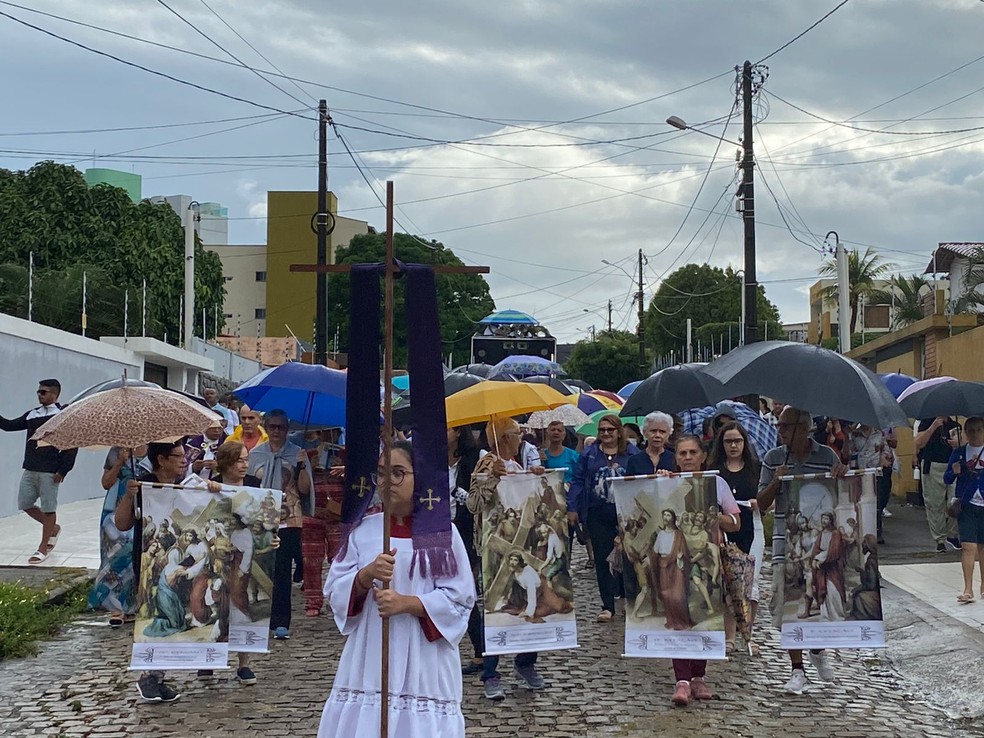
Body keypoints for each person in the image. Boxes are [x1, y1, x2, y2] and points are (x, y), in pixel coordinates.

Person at [318, 442, 475, 738]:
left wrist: (408, 603)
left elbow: (460, 599)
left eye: (398, 473)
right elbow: (335, 590)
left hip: (424, 659)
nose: (387, 481)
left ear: (421, 479)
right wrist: (365, 576)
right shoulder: (362, 531)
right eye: (381, 473)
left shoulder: (442, 533)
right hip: (370, 653)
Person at [758, 407, 845, 695]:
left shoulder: (826, 456)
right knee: (788, 608)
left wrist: (842, 476)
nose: (779, 430)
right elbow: (760, 503)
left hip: (818, 544)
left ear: (803, 428)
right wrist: (776, 480)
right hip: (786, 544)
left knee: (816, 602)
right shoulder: (773, 458)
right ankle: (797, 670)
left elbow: (840, 496)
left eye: (785, 425)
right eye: (779, 425)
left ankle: (818, 650)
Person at [656, 434, 741, 706]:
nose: (688, 457)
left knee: (704, 614)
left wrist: (714, 514)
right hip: (678, 561)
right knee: (679, 612)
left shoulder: (717, 483)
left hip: (707, 560)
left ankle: (698, 676)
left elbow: (735, 523)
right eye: (682, 453)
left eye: (693, 452)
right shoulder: (669, 484)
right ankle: (681, 679)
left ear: (703, 455)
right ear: (676, 457)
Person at [468, 417, 546, 701]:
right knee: (499, 610)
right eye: (515, 433)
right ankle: (491, 673)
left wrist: (536, 475)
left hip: (521, 547)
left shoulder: (516, 460)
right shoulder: (488, 463)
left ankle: (525, 662)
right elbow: (473, 503)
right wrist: (493, 480)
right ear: (502, 438)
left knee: (529, 604)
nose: (520, 438)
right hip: (495, 552)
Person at [114, 440, 190, 703]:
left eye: (184, 456)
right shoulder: (144, 484)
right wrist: (129, 494)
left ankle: (157, 677)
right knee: (152, 616)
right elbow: (122, 523)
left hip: (173, 566)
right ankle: (148, 675)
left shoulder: (187, 485)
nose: (183, 460)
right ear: (161, 460)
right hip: (148, 564)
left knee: (170, 617)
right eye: (177, 456)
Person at [208, 440, 272, 686]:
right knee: (217, 600)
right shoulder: (212, 483)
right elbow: (188, 489)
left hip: (241, 556)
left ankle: (244, 662)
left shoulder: (254, 486)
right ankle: (209, 659)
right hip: (221, 556)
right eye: (239, 460)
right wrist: (207, 486)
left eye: (246, 459)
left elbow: (265, 518)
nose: (245, 465)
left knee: (239, 597)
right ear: (226, 462)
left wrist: (272, 537)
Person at [568, 414, 640, 623]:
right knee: (601, 559)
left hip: (627, 513)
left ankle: (631, 599)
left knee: (630, 557)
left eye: (610, 429)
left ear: (619, 432)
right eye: (602, 430)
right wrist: (572, 506)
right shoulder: (590, 455)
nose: (606, 433)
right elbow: (578, 480)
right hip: (598, 512)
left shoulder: (631, 453)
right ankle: (607, 605)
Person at [248, 409, 312, 641]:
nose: (277, 431)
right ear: (265, 426)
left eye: (281, 427)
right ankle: (260, 615)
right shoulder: (256, 454)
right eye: (272, 426)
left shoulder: (297, 453)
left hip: (290, 518)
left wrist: (303, 466)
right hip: (262, 516)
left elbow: (305, 489)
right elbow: (249, 486)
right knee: (262, 568)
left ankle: (281, 620)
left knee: (284, 570)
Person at [0, 379, 78, 565]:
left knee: (49, 508)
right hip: (30, 467)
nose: (39, 395)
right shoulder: (32, 414)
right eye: (38, 392)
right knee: (25, 503)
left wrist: (64, 469)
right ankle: (53, 528)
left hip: (50, 470)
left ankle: (43, 547)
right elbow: (9, 426)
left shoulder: (62, 414)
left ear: (54, 394)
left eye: (43, 392)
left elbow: (72, 444)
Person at [708, 421, 762, 655]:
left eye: (737, 441)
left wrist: (760, 503)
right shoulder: (715, 470)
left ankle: (747, 633)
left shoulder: (755, 469)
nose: (733, 445)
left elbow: (768, 497)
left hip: (752, 528)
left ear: (744, 443)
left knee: (750, 584)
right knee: (728, 584)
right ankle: (729, 636)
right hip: (726, 530)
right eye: (728, 441)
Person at [90, 446, 151, 626]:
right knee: (113, 557)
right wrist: (119, 463)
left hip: (142, 507)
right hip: (114, 509)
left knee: (134, 555)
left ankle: (132, 604)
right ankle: (115, 607)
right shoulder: (117, 451)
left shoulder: (154, 449)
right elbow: (106, 483)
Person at [447, 425, 484, 675]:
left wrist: (455, 492)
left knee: (466, 591)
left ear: (459, 431)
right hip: (440, 530)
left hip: (466, 532)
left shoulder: (475, 459)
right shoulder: (432, 459)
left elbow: (478, 499)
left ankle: (482, 651)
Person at [943, 417, 984, 603]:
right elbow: (947, 478)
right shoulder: (959, 452)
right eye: (971, 430)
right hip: (966, 505)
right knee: (969, 547)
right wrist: (954, 471)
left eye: (978, 430)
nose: (974, 434)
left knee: (983, 548)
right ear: (965, 433)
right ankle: (968, 589)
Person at [915, 415, 962, 553]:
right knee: (935, 504)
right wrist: (933, 426)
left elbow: (962, 444)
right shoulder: (926, 422)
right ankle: (940, 539)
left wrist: (958, 443)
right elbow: (918, 443)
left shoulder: (955, 425)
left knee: (955, 501)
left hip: (953, 464)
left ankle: (953, 534)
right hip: (932, 465)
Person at [810, 511, 847, 621]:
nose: (824, 521)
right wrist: (814, 559)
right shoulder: (821, 533)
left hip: (832, 566)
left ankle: (837, 615)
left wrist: (820, 559)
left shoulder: (835, 533)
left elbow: (834, 551)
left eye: (826, 519)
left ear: (831, 520)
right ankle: (826, 615)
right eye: (823, 519)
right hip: (822, 568)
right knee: (823, 589)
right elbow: (816, 548)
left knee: (833, 590)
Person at [626, 411, 675, 475]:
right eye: (653, 431)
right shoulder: (634, 460)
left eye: (662, 432)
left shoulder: (674, 459)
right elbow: (628, 484)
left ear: (668, 434)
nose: (657, 435)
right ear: (644, 432)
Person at [541, 420, 579, 486]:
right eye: (553, 430)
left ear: (564, 435)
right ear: (547, 434)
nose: (556, 432)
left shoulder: (573, 455)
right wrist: (542, 462)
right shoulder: (541, 455)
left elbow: (580, 476)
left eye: (559, 430)